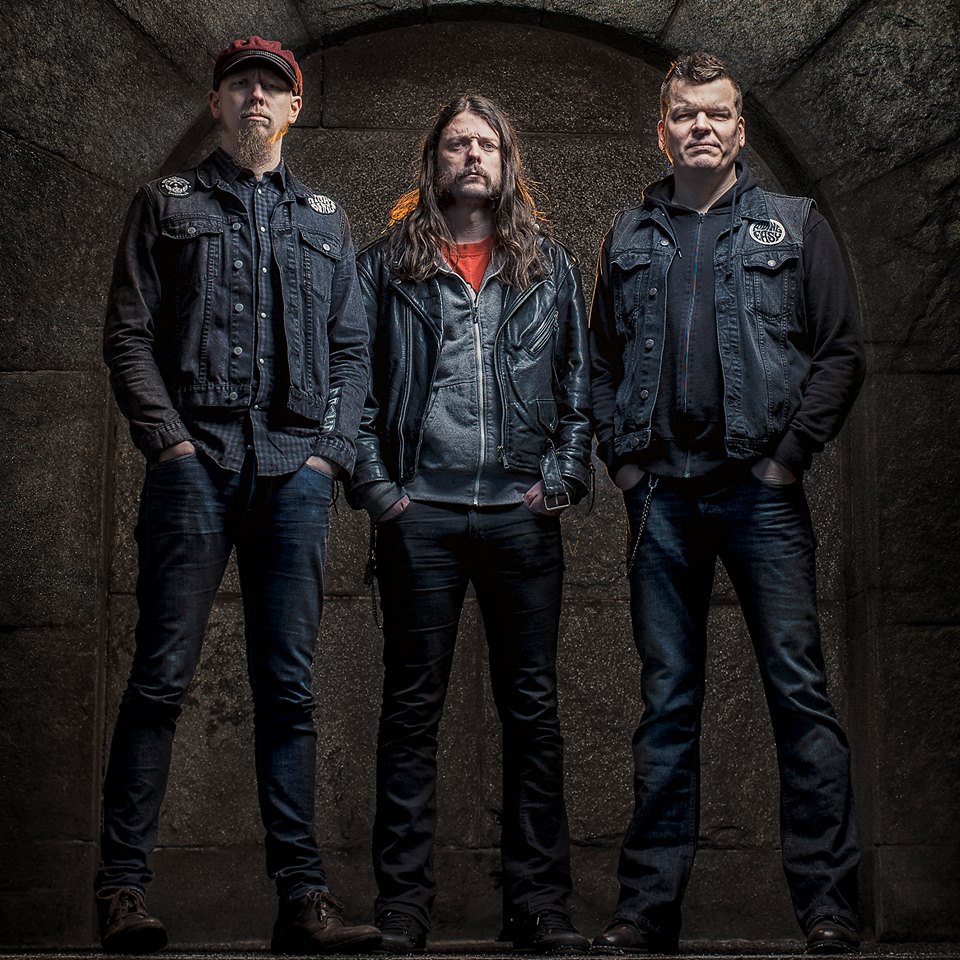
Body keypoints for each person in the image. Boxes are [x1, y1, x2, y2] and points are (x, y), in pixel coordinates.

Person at [97, 35, 379, 955]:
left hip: (294, 473)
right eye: (241, 85)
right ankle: (122, 891)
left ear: (295, 108)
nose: (257, 97)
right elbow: (128, 335)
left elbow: (351, 352)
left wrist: (328, 456)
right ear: (215, 102)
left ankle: (303, 901)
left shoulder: (327, 220)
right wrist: (170, 444)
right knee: (160, 679)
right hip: (197, 466)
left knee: (288, 692)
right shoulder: (165, 203)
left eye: (273, 87)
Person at [589, 52, 865, 955]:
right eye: (684, 114)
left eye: (715, 113)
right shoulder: (628, 233)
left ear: (740, 130)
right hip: (661, 500)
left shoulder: (795, 225)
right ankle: (646, 911)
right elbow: (598, 363)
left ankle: (828, 907)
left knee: (798, 693)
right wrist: (625, 466)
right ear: (661, 131)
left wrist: (788, 460)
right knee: (667, 702)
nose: (699, 126)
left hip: (760, 495)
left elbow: (840, 351)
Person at [345, 94, 592, 954]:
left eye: (486, 143)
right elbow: (356, 386)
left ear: (508, 160)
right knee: (411, 714)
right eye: (457, 143)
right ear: (435, 161)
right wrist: (382, 492)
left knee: (534, 713)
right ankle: (404, 907)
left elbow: (578, 387)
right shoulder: (387, 265)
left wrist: (559, 480)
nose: (473, 156)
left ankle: (540, 906)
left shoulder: (549, 265)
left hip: (521, 518)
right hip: (422, 519)